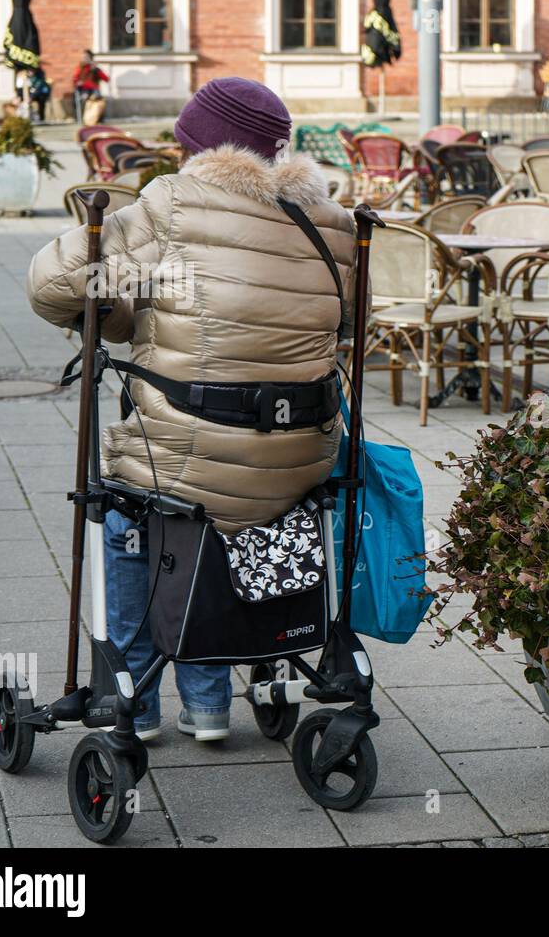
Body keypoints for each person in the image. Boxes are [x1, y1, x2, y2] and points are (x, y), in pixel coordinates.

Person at [26, 78, 355, 742]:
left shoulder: (173, 203)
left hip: (188, 458)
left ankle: (136, 706)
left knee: (127, 517)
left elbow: (52, 285)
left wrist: (119, 318)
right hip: (301, 460)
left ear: (197, 146)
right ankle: (209, 702)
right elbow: (345, 327)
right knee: (226, 499)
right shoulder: (334, 224)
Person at [72, 49, 108, 124]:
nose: (84, 59)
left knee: (98, 99)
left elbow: (106, 79)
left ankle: (98, 119)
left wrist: (96, 70)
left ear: (90, 58)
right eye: (83, 57)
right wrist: (78, 82)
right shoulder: (80, 68)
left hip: (94, 90)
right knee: (83, 98)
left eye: (86, 57)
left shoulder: (95, 68)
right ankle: (82, 118)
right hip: (83, 90)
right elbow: (75, 79)